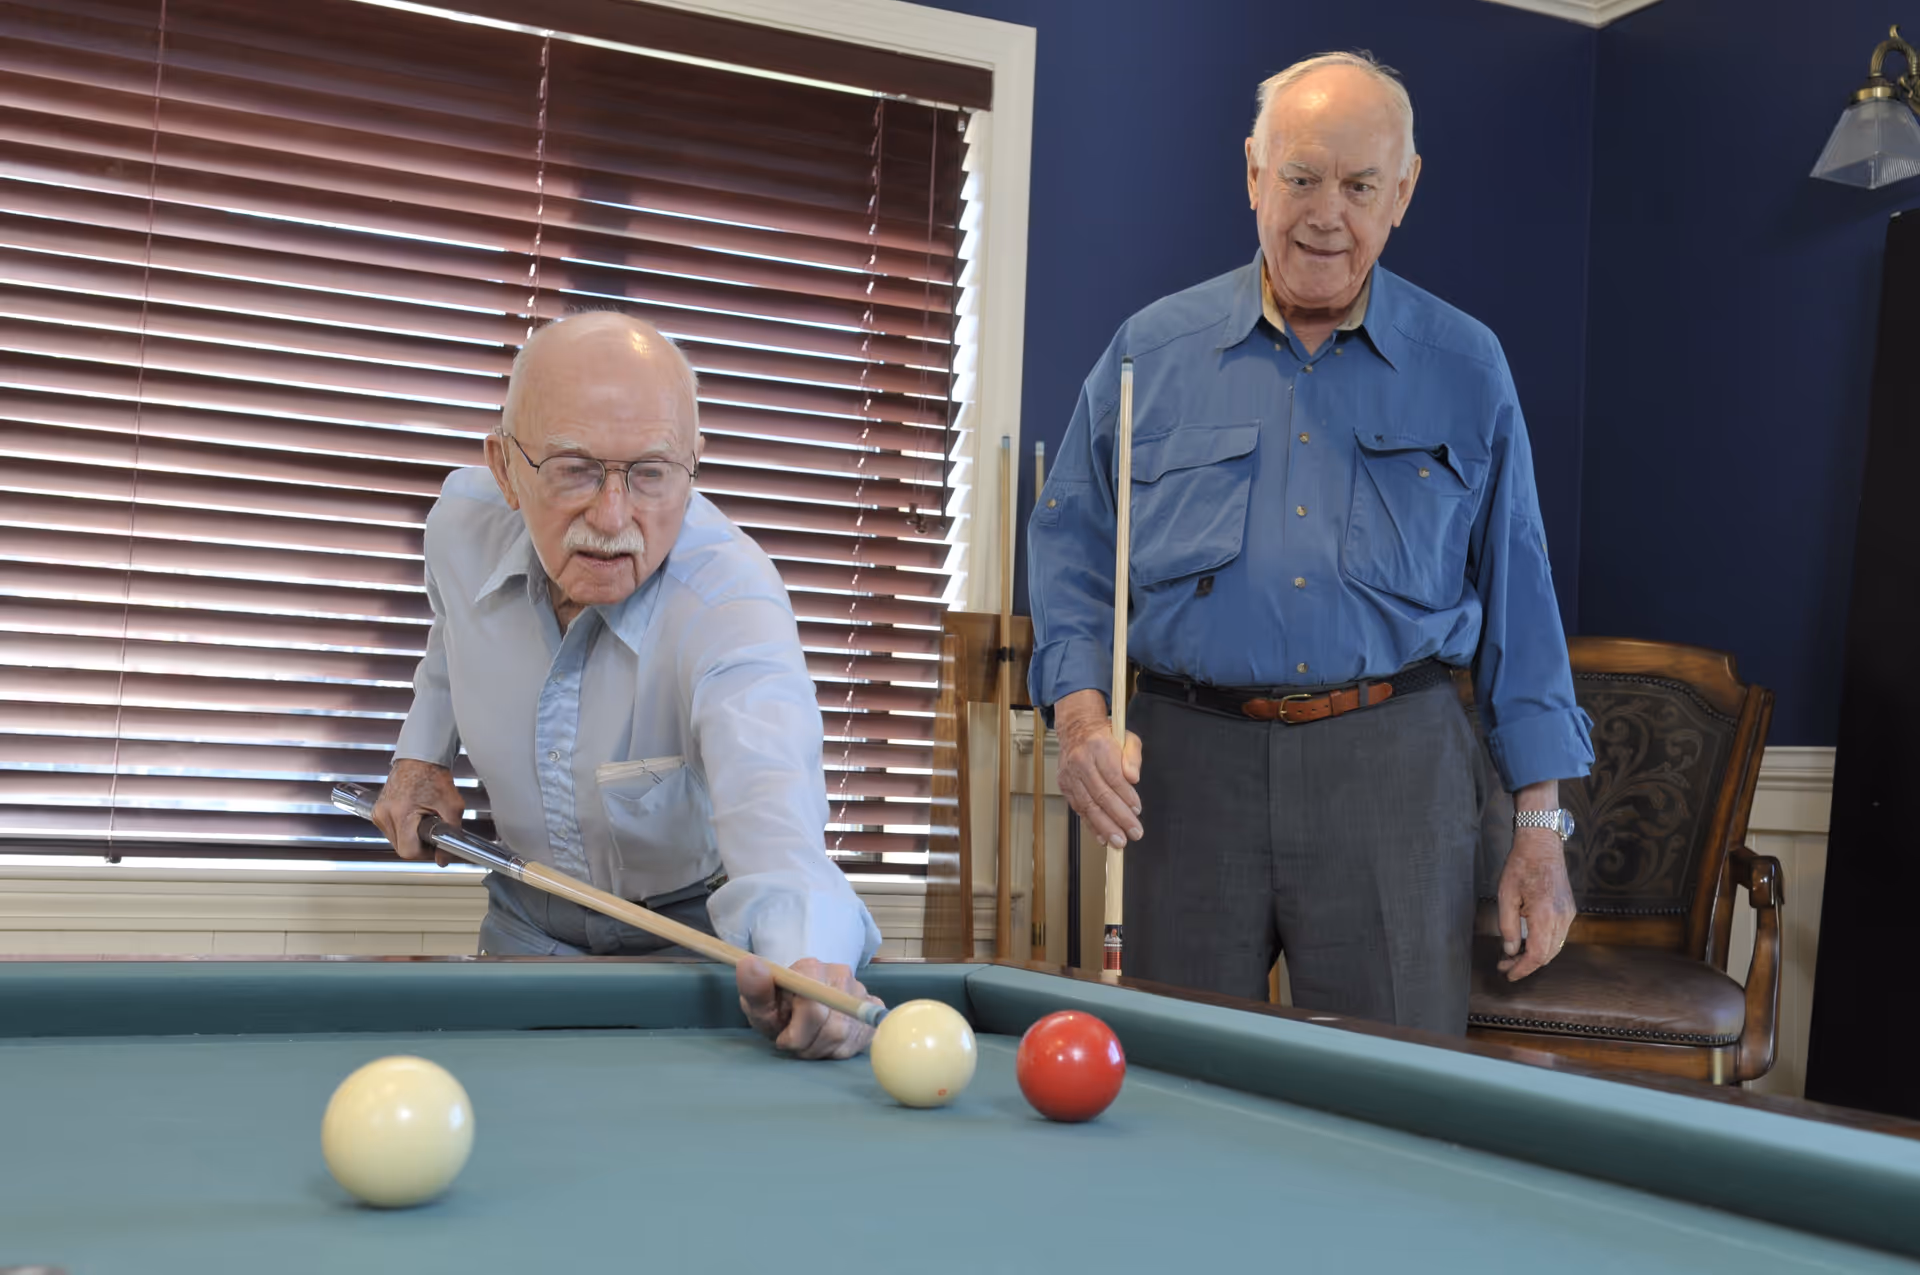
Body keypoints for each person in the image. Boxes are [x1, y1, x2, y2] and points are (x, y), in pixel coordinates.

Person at [1027, 52, 1594, 1034]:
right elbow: (1073, 554)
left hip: (1394, 769)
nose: (1327, 214)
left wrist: (1539, 828)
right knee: (1180, 1085)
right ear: (1254, 173)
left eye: (1360, 184)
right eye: (1300, 177)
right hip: (1184, 772)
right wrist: (1080, 724)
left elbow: (1522, 608)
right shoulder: (1145, 353)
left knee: (1394, 1102)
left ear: (1403, 193)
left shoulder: (1467, 366)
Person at [371, 312, 883, 1059]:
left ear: (693, 464)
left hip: (691, 957)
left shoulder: (731, 603)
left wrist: (806, 960)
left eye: (650, 473)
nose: (613, 518)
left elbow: (775, 811)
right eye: (574, 468)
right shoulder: (460, 526)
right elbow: (455, 631)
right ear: (505, 468)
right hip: (524, 931)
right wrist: (422, 753)